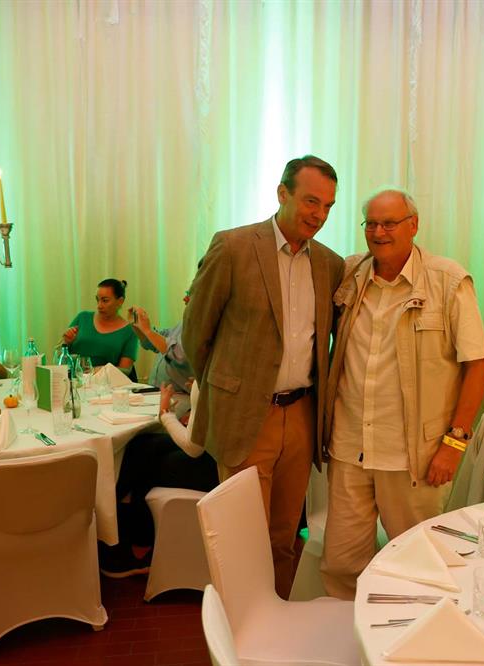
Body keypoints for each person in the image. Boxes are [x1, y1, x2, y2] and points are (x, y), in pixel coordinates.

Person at [183, 155, 344, 600]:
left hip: (302, 416)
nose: (319, 214)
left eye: (328, 206)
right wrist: (229, 391)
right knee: (241, 539)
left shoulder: (330, 264)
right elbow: (196, 335)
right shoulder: (233, 248)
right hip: (246, 418)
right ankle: (239, 627)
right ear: (282, 193)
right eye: (311, 201)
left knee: (284, 537)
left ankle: (276, 620)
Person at [319, 188, 484, 600]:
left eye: (390, 223)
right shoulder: (349, 275)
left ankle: (411, 635)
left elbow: (477, 365)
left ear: (413, 225)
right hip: (351, 448)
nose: (379, 232)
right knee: (342, 563)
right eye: (372, 224)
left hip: (415, 456)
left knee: (418, 567)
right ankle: (349, 633)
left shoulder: (449, 281)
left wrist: (454, 444)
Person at [101, 380, 219, 577]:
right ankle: (120, 529)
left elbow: (193, 448)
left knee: (144, 464)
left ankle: (135, 544)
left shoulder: (212, 377)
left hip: (215, 465)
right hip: (211, 450)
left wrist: (165, 414)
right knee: (139, 446)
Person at [129, 292, 193, 415]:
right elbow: (154, 343)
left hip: (179, 397)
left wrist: (147, 330)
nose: (184, 298)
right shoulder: (183, 323)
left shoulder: (202, 328)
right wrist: (137, 325)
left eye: (190, 295)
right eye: (187, 293)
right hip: (156, 393)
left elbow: (178, 355)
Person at [62, 279, 139, 378]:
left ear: (120, 301)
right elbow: (60, 357)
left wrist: (96, 370)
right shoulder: (83, 318)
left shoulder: (129, 331)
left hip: (105, 384)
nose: (99, 306)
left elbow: (125, 370)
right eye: (97, 300)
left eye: (105, 300)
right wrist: (66, 342)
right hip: (74, 380)